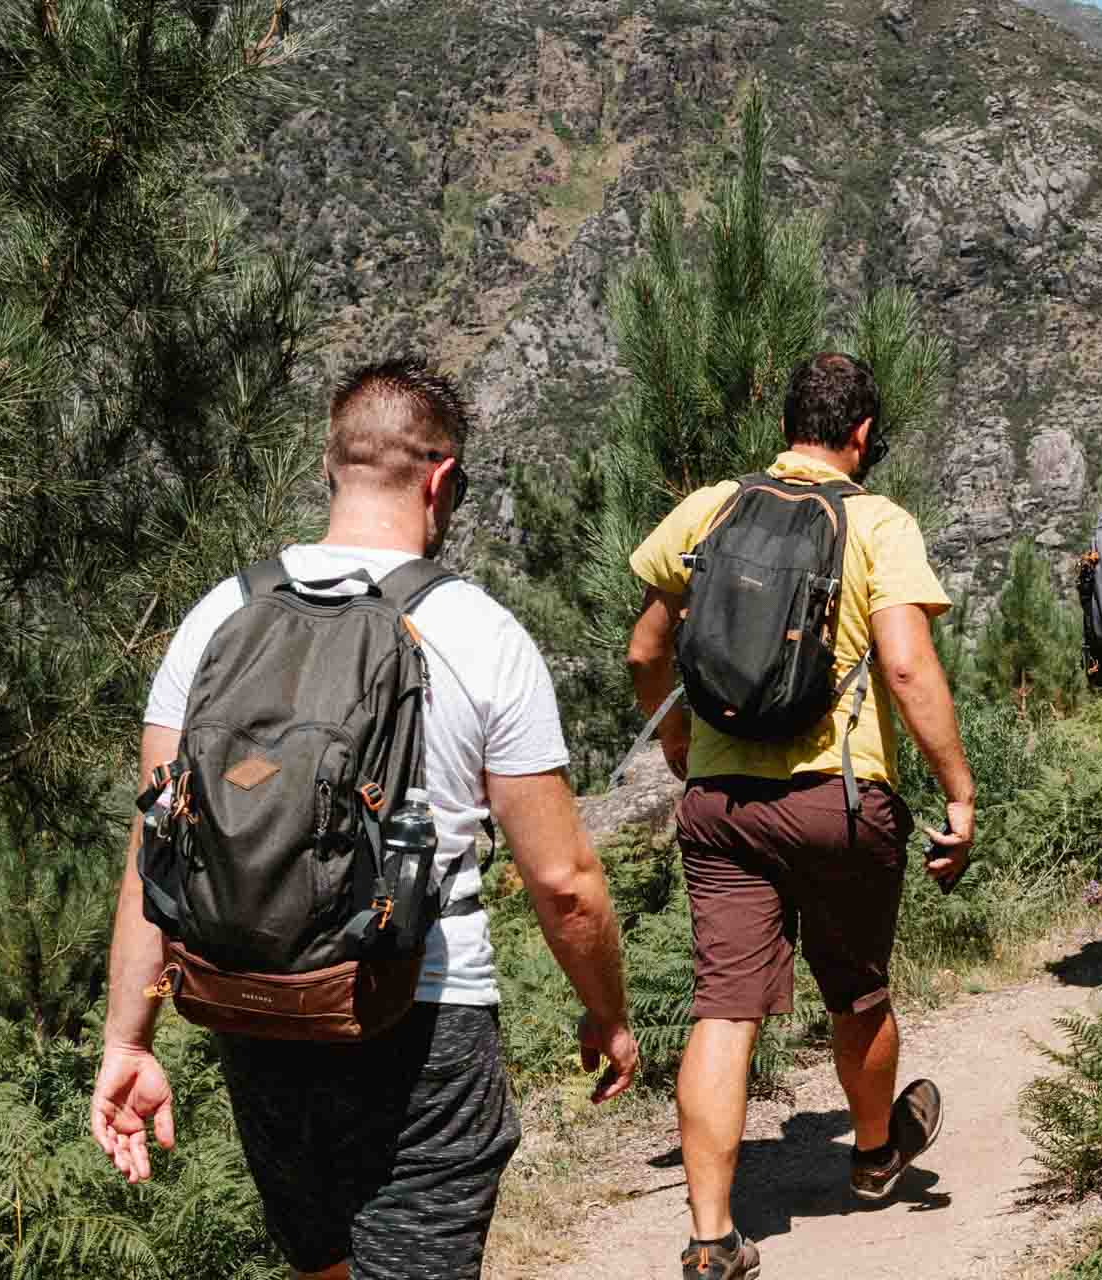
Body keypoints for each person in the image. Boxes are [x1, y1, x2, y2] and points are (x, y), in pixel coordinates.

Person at [90, 357, 640, 1280]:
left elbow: (159, 848)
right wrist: (607, 1011)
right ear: (442, 480)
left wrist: (128, 1040)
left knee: (323, 1261)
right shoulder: (482, 634)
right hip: (421, 1013)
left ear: (330, 466)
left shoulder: (219, 616)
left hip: (258, 1007)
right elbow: (564, 884)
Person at [626, 352, 974, 1280]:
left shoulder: (710, 508)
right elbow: (906, 665)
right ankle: (873, 1154)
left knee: (724, 1007)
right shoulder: (878, 522)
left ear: (787, 423)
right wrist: (958, 787)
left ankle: (711, 1237)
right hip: (839, 802)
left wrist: (677, 743)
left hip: (722, 806)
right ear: (862, 434)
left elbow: (644, 651)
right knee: (856, 988)